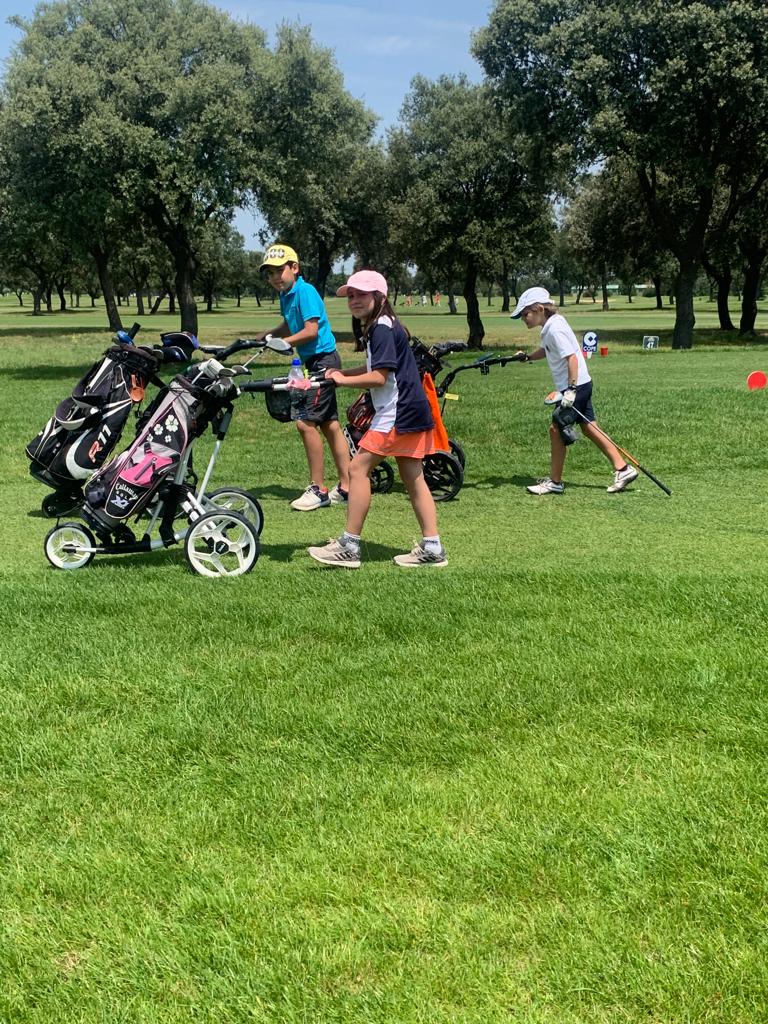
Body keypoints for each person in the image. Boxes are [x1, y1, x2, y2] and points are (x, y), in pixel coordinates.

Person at [307, 270, 447, 569]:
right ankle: (433, 548)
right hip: (411, 411)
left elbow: (380, 377)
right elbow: (378, 367)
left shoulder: (381, 328)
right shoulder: (382, 326)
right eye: (351, 295)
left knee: (357, 469)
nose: (354, 301)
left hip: (398, 413)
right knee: (414, 478)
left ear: (379, 297)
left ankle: (349, 545)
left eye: (361, 294)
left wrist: (343, 382)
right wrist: (341, 374)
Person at [512, 286, 639, 495]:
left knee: (556, 429)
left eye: (526, 314)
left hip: (575, 386)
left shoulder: (555, 328)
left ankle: (555, 482)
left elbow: (571, 356)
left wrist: (570, 389)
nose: (524, 319)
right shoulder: (551, 325)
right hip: (581, 384)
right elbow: (547, 350)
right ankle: (623, 469)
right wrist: (527, 357)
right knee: (589, 428)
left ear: (540, 309)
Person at [256, 243, 350, 510]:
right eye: (270, 273)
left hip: (324, 360)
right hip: (314, 361)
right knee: (329, 424)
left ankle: (318, 489)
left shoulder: (305, 291)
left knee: (305, 422)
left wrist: (284, 343)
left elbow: (310, 330)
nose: (274, 277)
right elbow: (290, 322)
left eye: (279, 271)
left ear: (294, 268)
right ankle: (346, 487)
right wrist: (270, 334)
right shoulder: (286, 295)